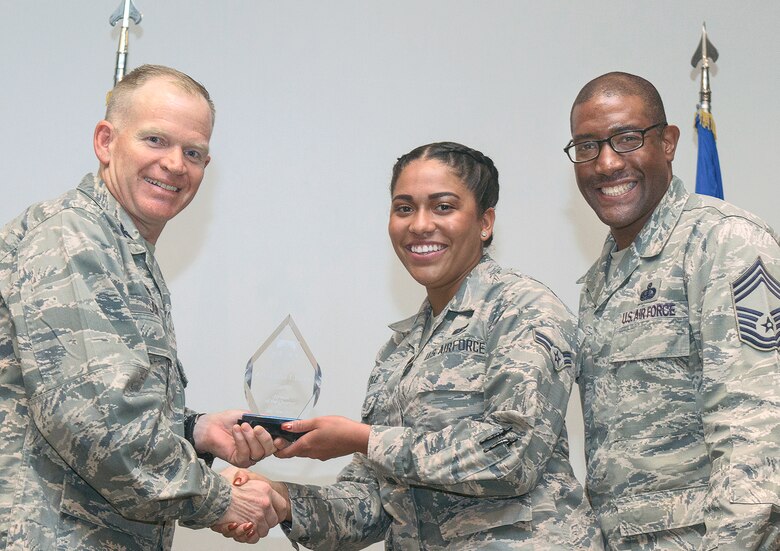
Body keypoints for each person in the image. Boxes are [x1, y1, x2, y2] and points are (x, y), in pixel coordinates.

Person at [217, 142, 604, 549]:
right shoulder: (399, 351)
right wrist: (280, 500)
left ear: (485, 222)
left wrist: (364, 438)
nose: (419, 225)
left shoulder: (523, 310)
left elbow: (510, 458)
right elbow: (372, 506)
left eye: (443, 207)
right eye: (404, 208)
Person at [0, 64, 286, 550]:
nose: (175, 164)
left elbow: (105, 395)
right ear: (106, 141)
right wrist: (221, 501)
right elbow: (95, 422)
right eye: (155, 141)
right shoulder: (74, 239)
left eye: (192, 152)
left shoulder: (123, 250)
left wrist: (195, 430)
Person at [565, 71, 780, 549]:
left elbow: (758, 437)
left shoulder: (725, 242)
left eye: (626, 139)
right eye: (586, 146)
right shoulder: (600, 280)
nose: (604, 163)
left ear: (667, 142)